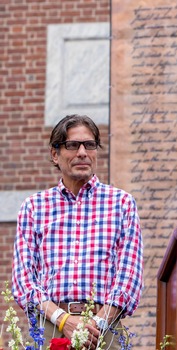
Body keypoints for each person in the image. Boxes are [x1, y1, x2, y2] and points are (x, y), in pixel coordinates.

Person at [12, 114, 144, 350]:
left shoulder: (122, 203)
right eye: (72, 145)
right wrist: (64, 320)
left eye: (90, 144)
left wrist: (95, 323)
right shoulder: (34, 207)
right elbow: (24, 282)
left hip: (105, 330)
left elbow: (129, 280)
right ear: (55, 154)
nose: (82, 152)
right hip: (51, 327)